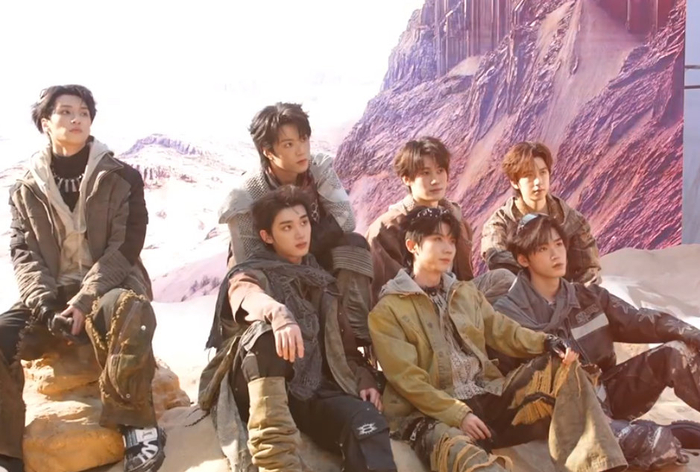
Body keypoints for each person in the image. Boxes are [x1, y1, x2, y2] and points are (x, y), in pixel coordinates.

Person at [368, 206, 627, 472]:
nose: (448, 249)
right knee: (457, 451)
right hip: (431, 414)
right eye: (437, 239)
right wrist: (458, 414)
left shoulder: (464, 293)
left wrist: (545, 342)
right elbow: (408, 381)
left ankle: (602, 465)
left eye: (452, 241)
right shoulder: (388, 311)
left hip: (487, 396)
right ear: (413, 246)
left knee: (562, 368)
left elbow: (502, 330)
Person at [0, 85, 164, 472]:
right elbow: (25, 254)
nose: (76, 119)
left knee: (133, 311)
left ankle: (137, 427)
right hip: (51, 295)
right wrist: (45, 306)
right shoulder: (26, 188)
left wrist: (84, 300)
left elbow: (125, 248)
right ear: (45, 122)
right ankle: (7, 449)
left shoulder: (121, 177)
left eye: (84, 113)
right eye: (66, 111)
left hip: (109, 287)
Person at [200, 185, 397, 472]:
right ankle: (276, 462)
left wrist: (364, 379)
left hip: (312, 392)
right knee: (265, 335)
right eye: (287, 227)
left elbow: (344, 350)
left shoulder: (322, 281)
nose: (300, 233)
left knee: (367, 422)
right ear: (267, 236)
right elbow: (245, 295)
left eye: (304, 223)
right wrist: (277, 313)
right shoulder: (251, 272)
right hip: (258, 385)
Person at [493, 212, 700, 469]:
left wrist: (690, 332)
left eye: (559, 244)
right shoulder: (508, 316)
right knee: (658, 445)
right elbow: (508, 388)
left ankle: (639, 432)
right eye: (543, 249)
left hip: (608, 392)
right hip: (567, 417)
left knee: (678, 351)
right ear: (523, 259)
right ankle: (659, 435)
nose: (556, 254)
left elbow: (641, 321)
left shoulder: (588, 297)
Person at [219, 103, 373, 344]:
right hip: (266, 263)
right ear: (268, 152)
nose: (301, 150)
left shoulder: (317, 169)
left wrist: (303, 252)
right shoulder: (245, 194)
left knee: (354, 245)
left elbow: (345, 219)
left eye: (303, 140)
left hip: (309, 249)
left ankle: (354, 335)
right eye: (288, 144)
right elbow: (248, 259)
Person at [366, 137, 514, 305]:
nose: (435, 180)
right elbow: (385, 293)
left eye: (440, 170)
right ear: (406, 179)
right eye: (425, 173)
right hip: (413, 306)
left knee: (504, 280)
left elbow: (464, 278)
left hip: (455, 299)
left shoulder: (455, 220)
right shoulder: (387, 229)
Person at [481, 141, 601, 285]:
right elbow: (497, 261)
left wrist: (568, 295)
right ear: (514, 182)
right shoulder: (499, 224)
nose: (538, 181)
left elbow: (589, 270)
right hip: (518, 294)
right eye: (529, 175)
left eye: (543, 172)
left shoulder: (572, 221)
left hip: (568, 294)